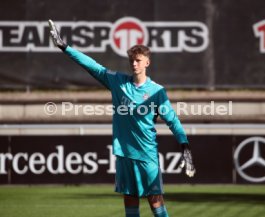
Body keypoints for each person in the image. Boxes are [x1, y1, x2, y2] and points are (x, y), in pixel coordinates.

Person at [48, 19, 195, 217]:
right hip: (125, 154)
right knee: (130, 200)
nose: (134, 64)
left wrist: (184, 146)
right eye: (132, 60)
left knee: (156, 200)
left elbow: (173, 121)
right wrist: (65, 47)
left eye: (138, 60)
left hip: (147, 154)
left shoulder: (157, 92)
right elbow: (93, 66)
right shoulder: (118, 82)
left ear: (147, 63)